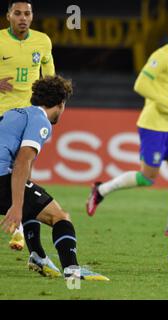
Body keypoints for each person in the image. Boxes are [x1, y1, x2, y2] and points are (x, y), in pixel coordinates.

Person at [86, 15, 168, 236]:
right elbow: (140, 85)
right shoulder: (161, 56)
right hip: (153, 125)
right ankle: (100, 190)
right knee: (147, 177)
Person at [0, 75, 109, 281]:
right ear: (60, 104)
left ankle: (37, 256)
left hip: (4, 175)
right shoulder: (41, 121)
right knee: (60, 217)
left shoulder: (14, 113)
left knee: (32, 202)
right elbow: (23, 161)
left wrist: (22, 202)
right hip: (1, 179)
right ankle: (72, 272)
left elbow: (22, 170)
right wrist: (16, 206)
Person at [0, 0, 55, 251]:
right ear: (8, 15)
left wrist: (51, 105)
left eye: (28, 13)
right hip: (2, 118)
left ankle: (20, 232)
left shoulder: (43, 41)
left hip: (29, 117)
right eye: (18, 13)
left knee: (24, 174)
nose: (23, 17)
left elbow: (50, 77)